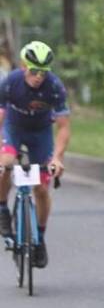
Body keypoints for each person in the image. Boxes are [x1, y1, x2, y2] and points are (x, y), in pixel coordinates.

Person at [0, 41, 70, 268]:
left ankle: (39, 238)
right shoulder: (10, 82)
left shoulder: (55, 86)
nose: (39, 76)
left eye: (43, 71)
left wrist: (57, 158)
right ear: (23, 66)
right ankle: (2, 208)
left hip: (41, 133)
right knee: (6, 163)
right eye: (34, 70)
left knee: (41, 188)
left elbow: (63, 127)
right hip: (13, 128)